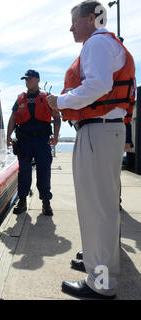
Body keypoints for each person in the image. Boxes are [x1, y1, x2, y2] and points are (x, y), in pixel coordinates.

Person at [47, 1, 136, 299]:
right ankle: (96, 263)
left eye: (74, 21)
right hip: (103, 130)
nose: (71, 27)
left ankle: (101, 284)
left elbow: (98, 85)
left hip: (97, 130)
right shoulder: (105, 44)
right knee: (101, 206)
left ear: (89, 19)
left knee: (97, 208)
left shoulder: (97, 43)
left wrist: (59, 102)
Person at [7, 70, 61, 216]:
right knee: (23, 172)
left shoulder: (47, 98)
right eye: (25, 79)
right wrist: (8, 136)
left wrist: (55, 138)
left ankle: (46, 203)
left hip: (42, 141)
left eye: (29, 79)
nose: (27, 81)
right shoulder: (20, 99)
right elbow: (12, 118)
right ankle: (22, 201)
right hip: (24, 140)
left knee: (44, 171)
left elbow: (57, 118)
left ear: (37, 80)